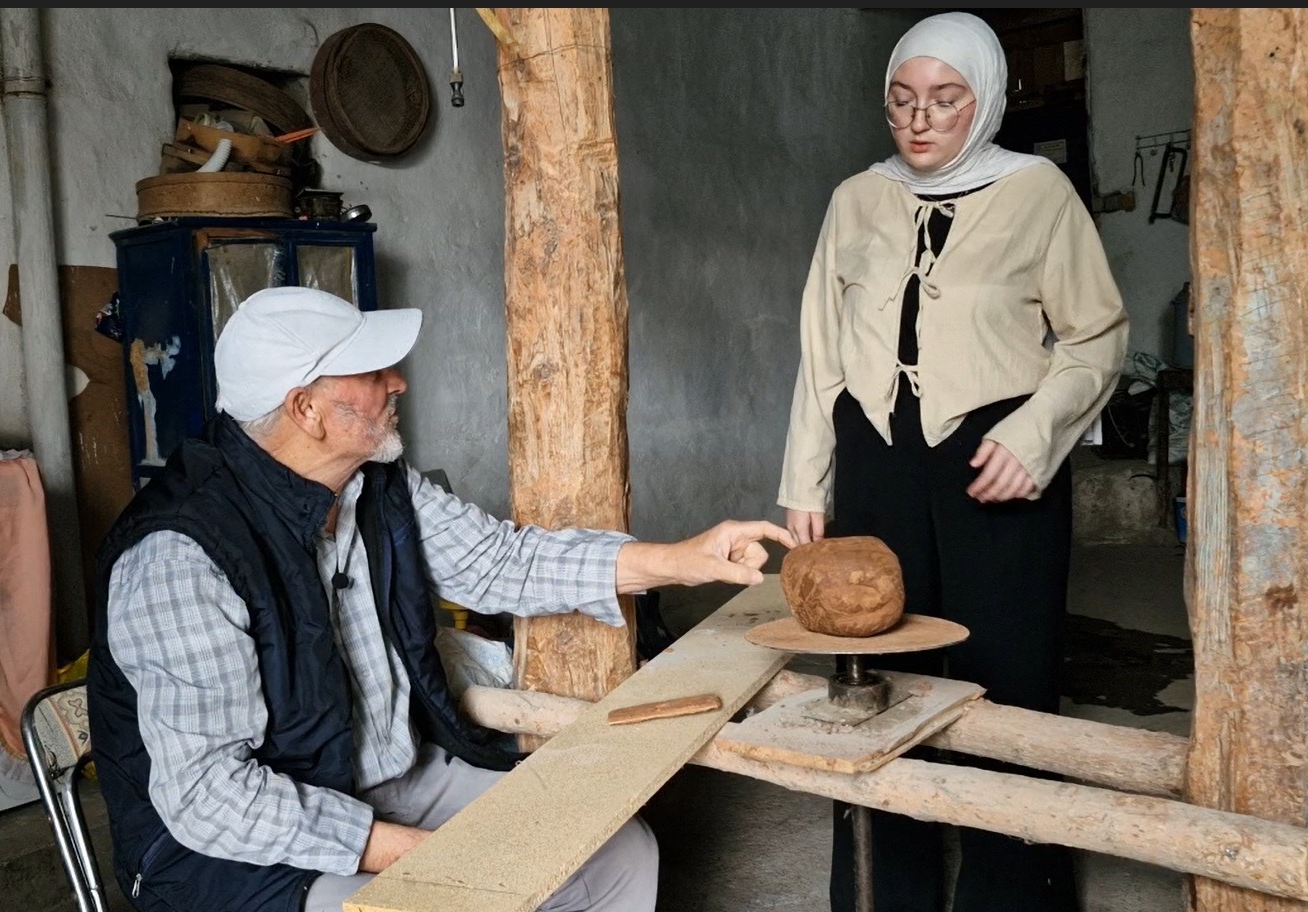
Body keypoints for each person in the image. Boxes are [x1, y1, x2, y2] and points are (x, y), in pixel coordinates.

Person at [88, 284, 796, 912]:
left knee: (616, 856)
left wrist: (682, 560)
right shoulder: (181, 553)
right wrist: (421, 855)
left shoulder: (372, 480)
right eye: (373, 373)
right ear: (307, 409)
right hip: (243, 853)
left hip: (388, 779)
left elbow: (502, 561)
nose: (397, 382)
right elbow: (208, 795)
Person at [776, 12, 1129, 912]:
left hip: (996, 460)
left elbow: (1096, 336)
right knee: (877, 682)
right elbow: (821, 351)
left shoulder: (1038, 192)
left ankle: (1012, 894)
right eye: (901, 100)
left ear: (987, 100)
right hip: (876, 459)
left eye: (945, 100)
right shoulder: (857, 198)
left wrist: (1036, 435)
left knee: (1004, 678)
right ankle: (883, 893)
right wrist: (807, 480)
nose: (919, 120)